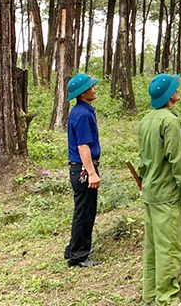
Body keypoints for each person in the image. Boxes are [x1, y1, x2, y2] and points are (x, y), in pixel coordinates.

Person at [138, 74, 181, 306]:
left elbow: (143, 159)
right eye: (175, 87)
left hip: (151, 191)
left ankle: (150, 295)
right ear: (169, 94)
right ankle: (167, 299)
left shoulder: (146, 120)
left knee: (152, 247)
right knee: (169, 247)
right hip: (165, 195)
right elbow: (177, 159)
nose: (178, 89)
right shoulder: (170, 122)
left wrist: (143, 183)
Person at [64, 73, 102, 267]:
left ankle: (74, 248)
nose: (94, 89)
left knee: (84, 210)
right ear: (81, 92)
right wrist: (92, 173)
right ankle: (78, 256)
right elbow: (83, 146)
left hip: (81, 169)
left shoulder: (82, 111)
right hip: (83, 170)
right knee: (84, 212)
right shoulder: (82, 114)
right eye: (90, 87)